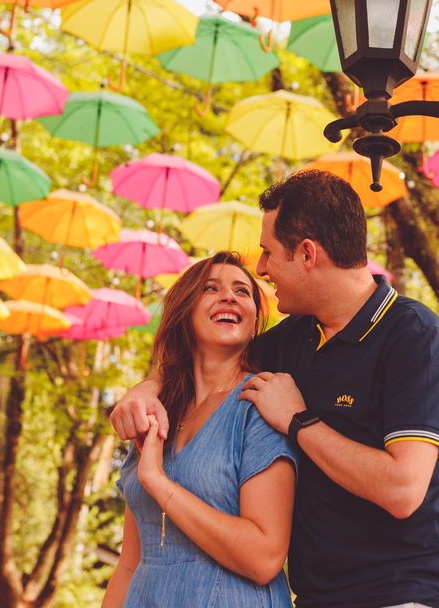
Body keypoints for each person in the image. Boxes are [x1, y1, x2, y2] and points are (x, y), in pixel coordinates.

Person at [111, 170, 439, 608]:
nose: (261, 268)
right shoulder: (295, 337)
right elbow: (209, 357)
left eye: (268, 252)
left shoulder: (414, 335)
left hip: (403, 592)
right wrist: (144, 391)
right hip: (316, 597)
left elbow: (402, 490)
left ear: (308, 254)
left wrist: (299, 421)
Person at [102, 252, 297, 608]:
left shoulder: (260, 404)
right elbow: (130, 562)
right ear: (184, 311)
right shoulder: (156, 410)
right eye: (211, 288)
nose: (229, 297)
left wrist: (159, 482)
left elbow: (265, 557)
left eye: (242, 291)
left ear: (255, 320)